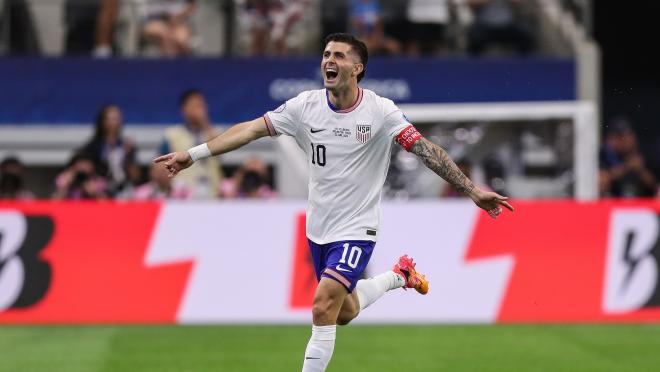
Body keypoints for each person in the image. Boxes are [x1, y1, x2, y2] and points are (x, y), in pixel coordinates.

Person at [155, 33, 513, 372]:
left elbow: (426, 151)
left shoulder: (381, 111)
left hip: (358, 227)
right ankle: (399, 276)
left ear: (357, 68)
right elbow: (250, 129)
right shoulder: (304, 107)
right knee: (345, 310)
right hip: (319, 228)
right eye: (326, 55)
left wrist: (470, 189)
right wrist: (194, 153)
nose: (330, 60)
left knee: (323, 305)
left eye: (339, 55)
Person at [159, 89, 223, 199]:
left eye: (202, 106)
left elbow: (220, 153)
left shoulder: (214, 132)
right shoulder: (172, 135)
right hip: (183, 197)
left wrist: (204, 122)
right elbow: (160, 165)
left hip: (213, 194)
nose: (199, 110)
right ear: (184, 109)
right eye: (195, 106)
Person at [80, 105, 138, 197]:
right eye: (111, 119)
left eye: (117, 118)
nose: (115, 122)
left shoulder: (127, 146)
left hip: (122, 193)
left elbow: (135, 177)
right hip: (98, 193)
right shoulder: (93, 147)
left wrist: (127, 157)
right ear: (103, 122)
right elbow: (84, 173)